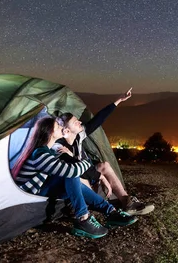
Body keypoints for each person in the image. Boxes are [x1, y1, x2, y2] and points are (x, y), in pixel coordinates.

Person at [11, 116, 137, 238]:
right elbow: (71, 171)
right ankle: (83, 218)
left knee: (69, 175)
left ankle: (111, 212)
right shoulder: (40, 154)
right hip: (29, 199)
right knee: (71, 175)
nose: (61, 127)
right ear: (50, 132)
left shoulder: (46, 151)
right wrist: (86, 161)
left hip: (41, 190)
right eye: (58, 126)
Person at [53, 88, 155, 216]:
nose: (79, 122)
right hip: (72, 178)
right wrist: (99, 176)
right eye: (75, 122)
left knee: (104, 165)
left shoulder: (79, 135)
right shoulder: (59, 146)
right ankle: (91, 211)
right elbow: (74, 169)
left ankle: (126, 201)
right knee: (80, 179)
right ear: (66, 130)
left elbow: (97, 120)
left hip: (86, 171)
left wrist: (119, 100)